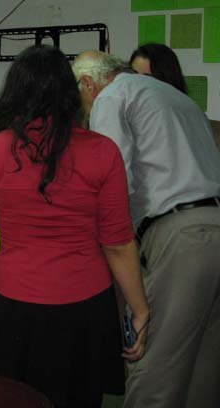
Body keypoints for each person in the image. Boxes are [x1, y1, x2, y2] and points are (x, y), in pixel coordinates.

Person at [0, 45, 149, 408]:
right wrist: (140, 308)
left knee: (10, 400)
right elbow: (117, 243)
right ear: (70, 94)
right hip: (85, 305)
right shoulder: (103, 151)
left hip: (13, 304)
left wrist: (0, 198)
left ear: (14, 93)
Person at [73, 50, 220, 408]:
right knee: (202, 371)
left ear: (88, 84)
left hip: (180, 237)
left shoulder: (111, 97)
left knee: (153, 370)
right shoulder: (177, 98)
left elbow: (113, 180)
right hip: (213, 224)